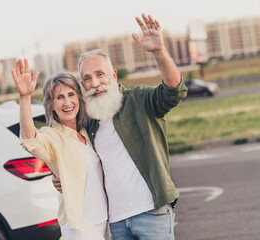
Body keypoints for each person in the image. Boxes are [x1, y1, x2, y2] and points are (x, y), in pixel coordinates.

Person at [52, 13, 188, 240]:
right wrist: (61, 176)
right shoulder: (88, 121)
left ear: (113, 75)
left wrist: (159, 52)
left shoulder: (139, 100)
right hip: (116, 221)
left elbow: (174, 92)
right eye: (87, 79)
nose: (95, 83)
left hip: (151, 212)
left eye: (100, 74)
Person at [11, 59, 109, 239]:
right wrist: (24, 98)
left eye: (71, 94)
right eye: (59, 97)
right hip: (80, 227)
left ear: (78, 98)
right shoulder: (53, 136)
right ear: (52, 105)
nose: (67, 102)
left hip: (101, 220)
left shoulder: (84, 133)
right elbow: (30, 141)